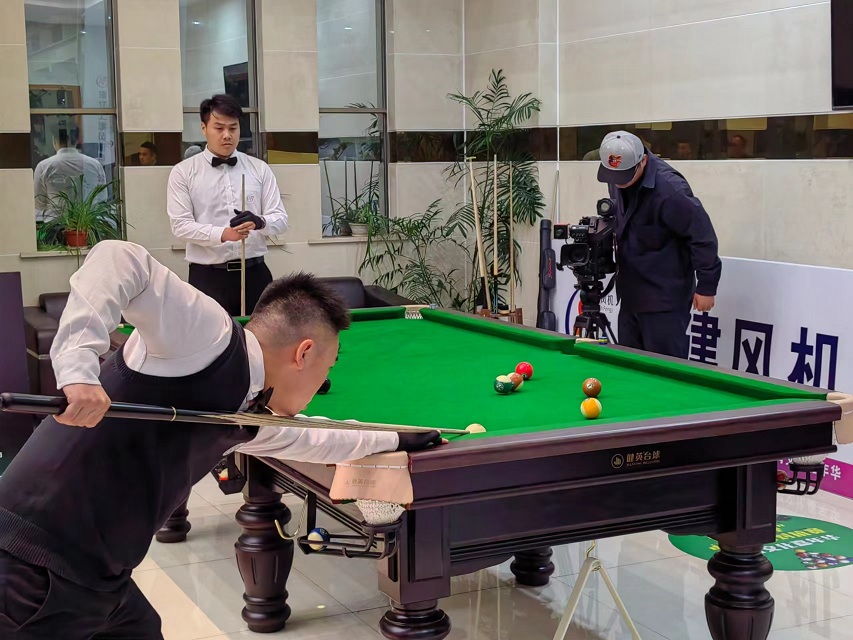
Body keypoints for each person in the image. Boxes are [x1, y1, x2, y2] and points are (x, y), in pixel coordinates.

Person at [0, 240, 441, 638]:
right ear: (304, 353)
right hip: (28, 566)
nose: (320, 386)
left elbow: (314, 438)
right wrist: (77, 369)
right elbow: (120, 257)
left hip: (98, 576)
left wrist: (395, 438)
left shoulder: (247, 406)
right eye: (325, 373)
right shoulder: (208, 336)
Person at [596, 131, 722, 359]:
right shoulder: (618, 178)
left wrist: (706, 286)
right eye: (613, 176)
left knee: (665, 366)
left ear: (643, 161)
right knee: (628, 364)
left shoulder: (670, 191)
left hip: (664, 299)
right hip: (631, 292)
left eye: (624, 176)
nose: (618, 183)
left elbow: (702, 237)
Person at [168, 94, 288, 316]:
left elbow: (280, 219)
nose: (227, 135)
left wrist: (259, 222)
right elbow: (180, 226)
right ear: (204, 128)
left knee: (260, 336)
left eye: (233, 128)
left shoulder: (259, 169)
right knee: (210, 337)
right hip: (207, 277)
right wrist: (223, 234)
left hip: (255, 274)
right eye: (219, 128)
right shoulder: (183, 172)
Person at [34, 126, 107, 222]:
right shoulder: (95, 164)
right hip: (88, 225)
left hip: (55, 225)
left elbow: (39, 203)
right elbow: (102, 199)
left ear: (55, 140)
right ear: (77, 140)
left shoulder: (44, 166)